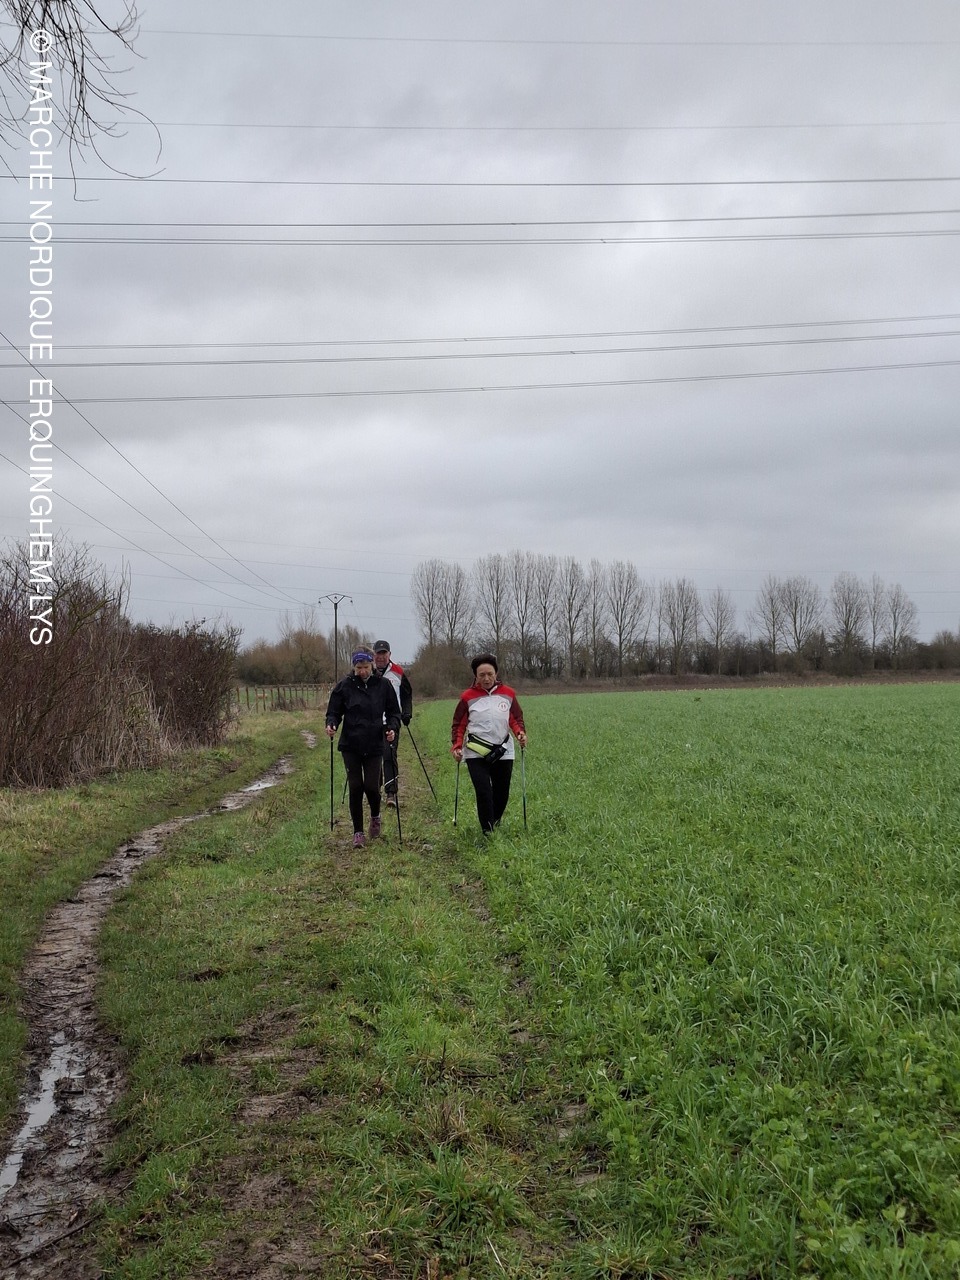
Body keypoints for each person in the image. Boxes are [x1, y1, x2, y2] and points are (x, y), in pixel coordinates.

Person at [325, 649, 401, 848]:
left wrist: (391, 728)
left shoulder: (383, 685)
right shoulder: (344, 686)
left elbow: (394, 712)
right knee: (356, 787)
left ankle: (375, 816)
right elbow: (333, 712)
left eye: (366, 667)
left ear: (372, 665)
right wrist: (331, 724)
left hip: (374, 743)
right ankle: (358, 832)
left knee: (372, 787)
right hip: (351, 744)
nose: (362, 671)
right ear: (354, 667)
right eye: (358, 668)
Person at [450, 653, 527, 835]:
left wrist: (520, 733)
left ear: (496, 673)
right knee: (484, 791)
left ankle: (494, 820)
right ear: (475, 676)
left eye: (490, 674)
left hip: (503, 750)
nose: (486, 678)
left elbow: (515, 718)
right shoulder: (467, 697)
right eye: (482, 675)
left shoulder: (508, 694)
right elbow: (459, 725)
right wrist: (457, 746)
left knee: (502, 793)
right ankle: (488, 831)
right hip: (475, 751)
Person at [372, 640, 413, 807]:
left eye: (384, 653)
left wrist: (407, 712)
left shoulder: (398, 672)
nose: (381, 657)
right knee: (374, 756)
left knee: (389, 755)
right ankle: (375, 789)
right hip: (371, 722)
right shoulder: (368, 671)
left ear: (389, 654)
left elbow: (407, 694)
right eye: (378, 653)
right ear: (374, 655)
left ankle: (391, 793)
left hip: (391, 720)